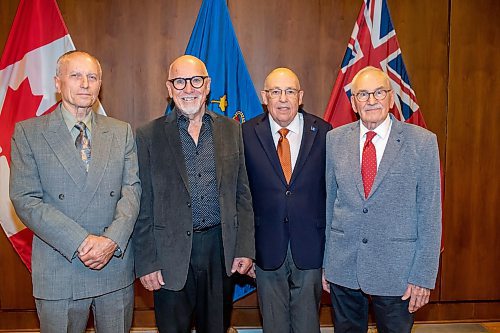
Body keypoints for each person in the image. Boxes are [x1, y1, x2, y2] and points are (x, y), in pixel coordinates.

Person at [9, 50, 141, 332]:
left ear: (100, 84)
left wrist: (111, 241)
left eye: (92, 77)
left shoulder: (121, 132)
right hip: (60, 266)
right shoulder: (29, 133)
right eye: (76, 75)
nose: (85, 83)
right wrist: (81, 241)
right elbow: (25, 199)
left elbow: (132, 191)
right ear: (58, 83)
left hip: (113, 266)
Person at [132, 55, 255, 333]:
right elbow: (142, 205)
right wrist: (147, 262)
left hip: (220, 250)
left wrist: (245, 247)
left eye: (196, 80)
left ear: (208, 85)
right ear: (169, 88)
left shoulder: (231, 129)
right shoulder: (148, 135)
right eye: (179, 81)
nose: (188, 89)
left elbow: (242, 194)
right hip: (169, 256)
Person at [322, 66, 442, 333]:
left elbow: (430, 214)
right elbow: (330, 205)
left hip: (398, 273)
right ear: (353, 103)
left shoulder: (422, 143)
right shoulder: (335, 140)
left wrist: (423, 276)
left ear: (390, 98)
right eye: (362, 94)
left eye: (378, 92)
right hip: (344, 267)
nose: (371, 100)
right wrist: (327, 264)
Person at [242, 68, 332, 332]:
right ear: (264, 97)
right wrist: (246, 249)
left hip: (311, 246)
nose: (283, 98)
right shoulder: (245, 133)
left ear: (300, 96)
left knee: (307, 325)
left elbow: (332, 193)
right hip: (266, 247)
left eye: (290, 91)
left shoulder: (324, 132)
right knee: (274, 325)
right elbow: (241, 196)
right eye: (276, 92)